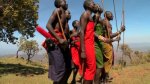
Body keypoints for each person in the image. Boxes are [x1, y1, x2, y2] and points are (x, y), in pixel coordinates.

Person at [46, 0, 71, 84]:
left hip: (62, 43)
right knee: (59, 68)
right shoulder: (58, 10)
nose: (66, 2)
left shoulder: (64, 14)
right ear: (59, 4)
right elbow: (48, 25)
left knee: (68, 67)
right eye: (64, 1)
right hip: (55, 42)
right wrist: (59, 39)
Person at [102, 11, 125, 82]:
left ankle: (104, 78)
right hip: (106, 44)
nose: (112, 15)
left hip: (104, 43)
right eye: (110, 14)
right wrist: (120, 31)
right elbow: (110, 35)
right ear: (106, 15)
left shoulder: (104, 22)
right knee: (107, 62)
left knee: (105, 61)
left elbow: (107, 36)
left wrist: (115, 39)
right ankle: (105, 79)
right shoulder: (107, 22)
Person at [80, 0, 97, 84]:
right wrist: (83, 50)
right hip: (87, 45)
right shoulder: (85, 14)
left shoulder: (90, 16)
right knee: (91, 68)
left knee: (91, 68)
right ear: (87, 5)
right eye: (93, 3)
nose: (94, 4)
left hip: (90, 44)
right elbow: (81, 32)